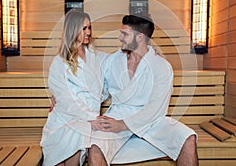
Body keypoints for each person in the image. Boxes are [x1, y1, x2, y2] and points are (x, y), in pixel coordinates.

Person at [89, 14, 198, 166]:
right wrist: (73, 105)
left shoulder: (160, 66)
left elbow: (156, 109)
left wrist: (124, 125)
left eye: (125, 34)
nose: (120, 37)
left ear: (140, 37)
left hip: (151, 121)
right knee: (95, 148)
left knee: (187, 138)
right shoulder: (112, 61)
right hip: (118, 115)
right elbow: (98, 91)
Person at [40, 10, 108, 166]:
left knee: (78, 134)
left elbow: (118, 59)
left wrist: (147, 51)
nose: (88, 32)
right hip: (65, 118)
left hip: (87, 120)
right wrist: (89, 119)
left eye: (89, 28)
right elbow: (64, 99)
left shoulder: (95, 56)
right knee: (75, 133)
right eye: (84, 28)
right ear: (73, 29)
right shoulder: (59, 62)